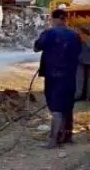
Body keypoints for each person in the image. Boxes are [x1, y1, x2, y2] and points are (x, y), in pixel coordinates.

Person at [33, 9, 82, 148]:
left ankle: (53, 140)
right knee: (67, 106)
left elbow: (37, 48)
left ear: (53, 19)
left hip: (53, 76)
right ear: (65, 19)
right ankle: (67, 136)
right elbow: (79, 52)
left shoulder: (49, 33)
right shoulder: (75, 35)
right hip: (70, 76)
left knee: (56, 108)